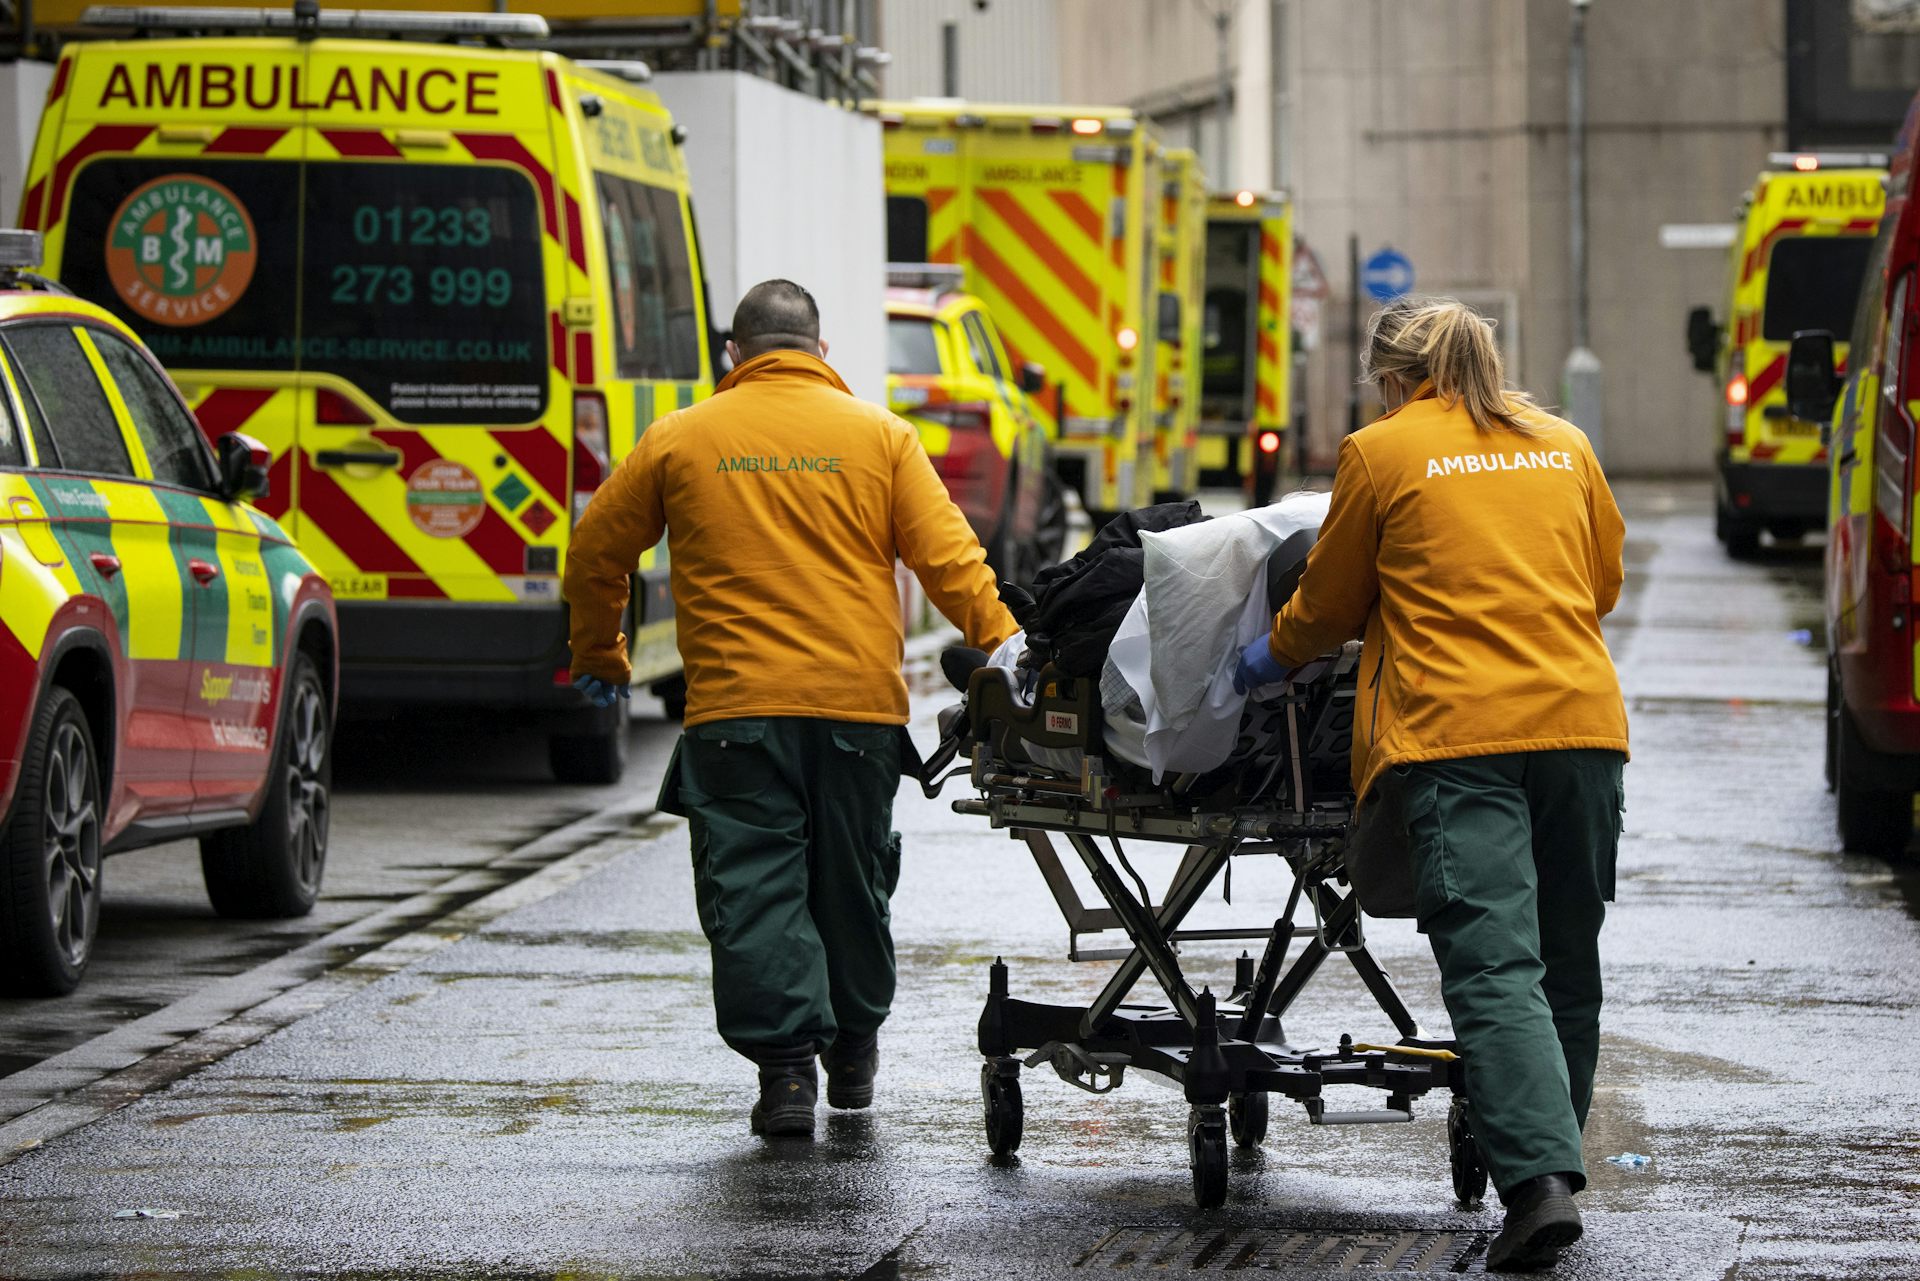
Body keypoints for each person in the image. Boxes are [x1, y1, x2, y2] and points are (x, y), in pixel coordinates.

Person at [563, 280, 1017, 1140]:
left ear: (735, 354)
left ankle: (785, 1079)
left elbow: (594, 551)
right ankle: (852, 1051)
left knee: (756, 885)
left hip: (733, 716)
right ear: (821, 348)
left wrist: (601, 656)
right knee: (851, 882)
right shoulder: (882, 437)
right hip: (858, 715)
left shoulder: (681, 438)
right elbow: (952, 562)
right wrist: (1012, 655)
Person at [1235, 297, 1627, 1272]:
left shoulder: (1384, 450)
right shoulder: (1563, 443)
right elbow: (1601, 581)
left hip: (1455, 739)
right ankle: (1549, 1172)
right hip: (1581, 729)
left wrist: (1265, 656)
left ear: (1396, 381)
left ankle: (1537, 1185)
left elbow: (1325, 605)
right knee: (1566, 960)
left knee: (1497, 964)